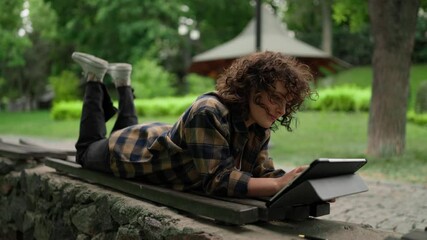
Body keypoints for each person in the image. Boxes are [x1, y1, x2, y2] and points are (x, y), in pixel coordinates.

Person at [72, 51, 313, 198]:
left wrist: (300, 184)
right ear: (252, 86)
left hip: (148, 136)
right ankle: (95, 78)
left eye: (286, 103)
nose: (281, 110)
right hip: (127, 153)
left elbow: (263, 174)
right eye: (275, 98)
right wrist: (277, 184)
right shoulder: (209, 111)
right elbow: (217, 180)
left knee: (124, 128)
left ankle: (123, 83)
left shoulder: (258, 126)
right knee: (86, 149)